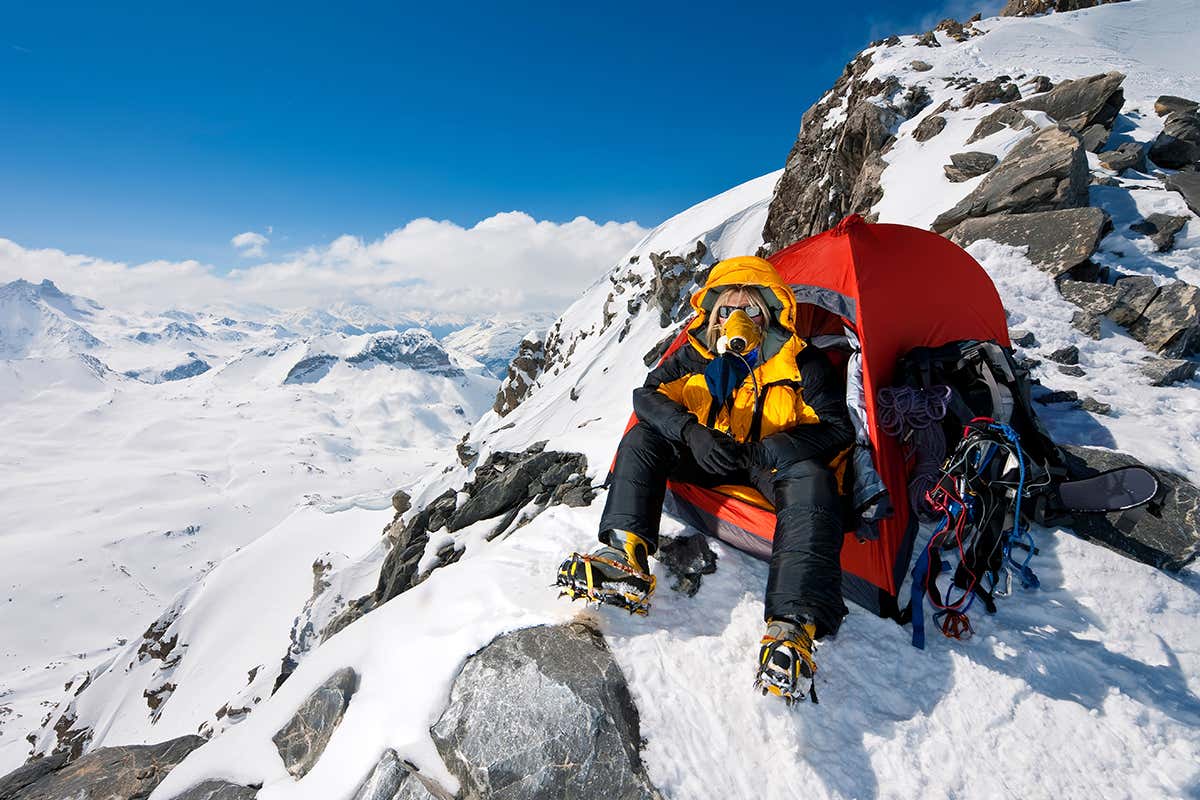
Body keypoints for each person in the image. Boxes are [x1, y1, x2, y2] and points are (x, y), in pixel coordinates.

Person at [557, 255, 854, 703]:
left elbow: (834, 429)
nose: (738, 319)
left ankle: (793, 628)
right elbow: (649, 396)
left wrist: (766, 449)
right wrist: (692, 434)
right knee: (643, 439)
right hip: (708, 452)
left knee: (814, 481)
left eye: (751, 309)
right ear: (712, 315)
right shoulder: (693, 354)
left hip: (765, 462)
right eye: (727, 309)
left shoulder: (802, 363)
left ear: (772, 313)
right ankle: (625, 557)